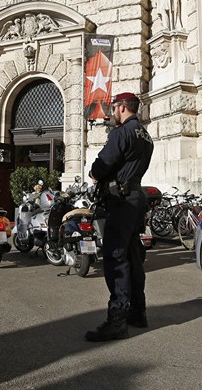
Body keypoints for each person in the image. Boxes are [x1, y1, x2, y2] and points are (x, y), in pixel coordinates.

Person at [86, 92, 154, 342]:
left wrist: (95, 174)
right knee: (132, 255)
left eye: (114, 107)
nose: (112, 111)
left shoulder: (120, 132)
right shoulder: (146, 136)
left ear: (123, 107)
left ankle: (117, 319)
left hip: (121, 199)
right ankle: (138, 311)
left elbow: (102, 165)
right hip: (136, 197)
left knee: (115, 257)